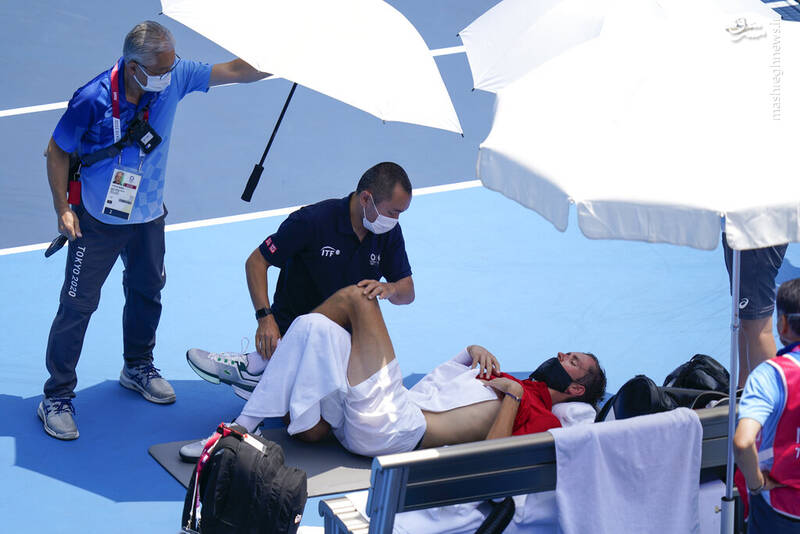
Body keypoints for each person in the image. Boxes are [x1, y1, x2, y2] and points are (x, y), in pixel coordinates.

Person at [39, 20, 270, 441]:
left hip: (147, 216)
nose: (169, 74)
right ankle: (56, 396)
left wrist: (283, 62)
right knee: (77, 307)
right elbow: (56, 151)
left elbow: (237, 71)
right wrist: (62, 210)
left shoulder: (175, 74)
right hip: (97, 220)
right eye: (160, 70)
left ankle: (137, 366)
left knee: (147, 291)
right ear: (133, 68)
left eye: (171, 65)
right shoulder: (92, 99)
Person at [188, 285, 607, 458]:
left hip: (397, 429)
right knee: (312, 326)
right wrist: (469, 352)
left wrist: (512, 397)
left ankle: (251, 405)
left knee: (360, 299)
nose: (561, 354)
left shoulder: (543, 416)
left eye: (573, 361)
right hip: (376, 417)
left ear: (575, 389)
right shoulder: (513, 381)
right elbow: (440, 388)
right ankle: (263, 419)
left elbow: (491, 455)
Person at [244, 161, 415, 362]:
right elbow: (256, 261)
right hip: (293, 336)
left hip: (342, 344)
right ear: (365, 198)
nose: (395, 220)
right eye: (393, 212)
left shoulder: (389, 233)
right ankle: (260, 365)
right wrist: (265, 318)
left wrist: (391, 288)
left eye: (400, 213)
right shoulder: (312, 221)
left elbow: (408, 292)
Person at [733, 277, 800, 533]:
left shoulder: (769, 376)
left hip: (779, 512)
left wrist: (756, 484)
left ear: (782, 324)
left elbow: (743, 443)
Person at [723, 236, 788, 387]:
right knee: (746, 319)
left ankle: (770, 397)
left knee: (757, 327)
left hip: (754, 236)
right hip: (746, 233)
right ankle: (744, 388)